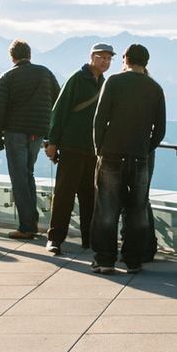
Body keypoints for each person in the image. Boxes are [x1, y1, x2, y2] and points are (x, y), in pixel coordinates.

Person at [90, 43, 165, 274]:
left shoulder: (113, 82)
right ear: (146, 62)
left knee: (107, 209)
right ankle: (133, 260)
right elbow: (160, 130)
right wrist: (144, 147)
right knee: (137, 210)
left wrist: (99, 147)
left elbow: (99, 119)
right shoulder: (155, 88)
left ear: (126, 59)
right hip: (139, 156)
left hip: (111, 154)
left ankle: (105, 260)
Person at [44, 42, 113, 256]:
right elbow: (60, 109)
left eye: (108, 58)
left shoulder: (104, 82)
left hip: (93, 149)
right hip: (72, 145)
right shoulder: (77, 78)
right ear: (91, 56)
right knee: (64, 193)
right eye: (101, 57)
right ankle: (55, 239)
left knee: (89, 196)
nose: (105, 61)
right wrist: (52, 141)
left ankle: (89, 239)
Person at [0, 39, 59, 239]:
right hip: (38, 132)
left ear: (12, 57)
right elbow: (57, 100)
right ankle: (32, 220)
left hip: (15, 132)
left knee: (19, 178)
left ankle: (27, 226)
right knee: (28, 174)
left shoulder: (8, 77)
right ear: (29, 54)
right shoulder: (45, 73)